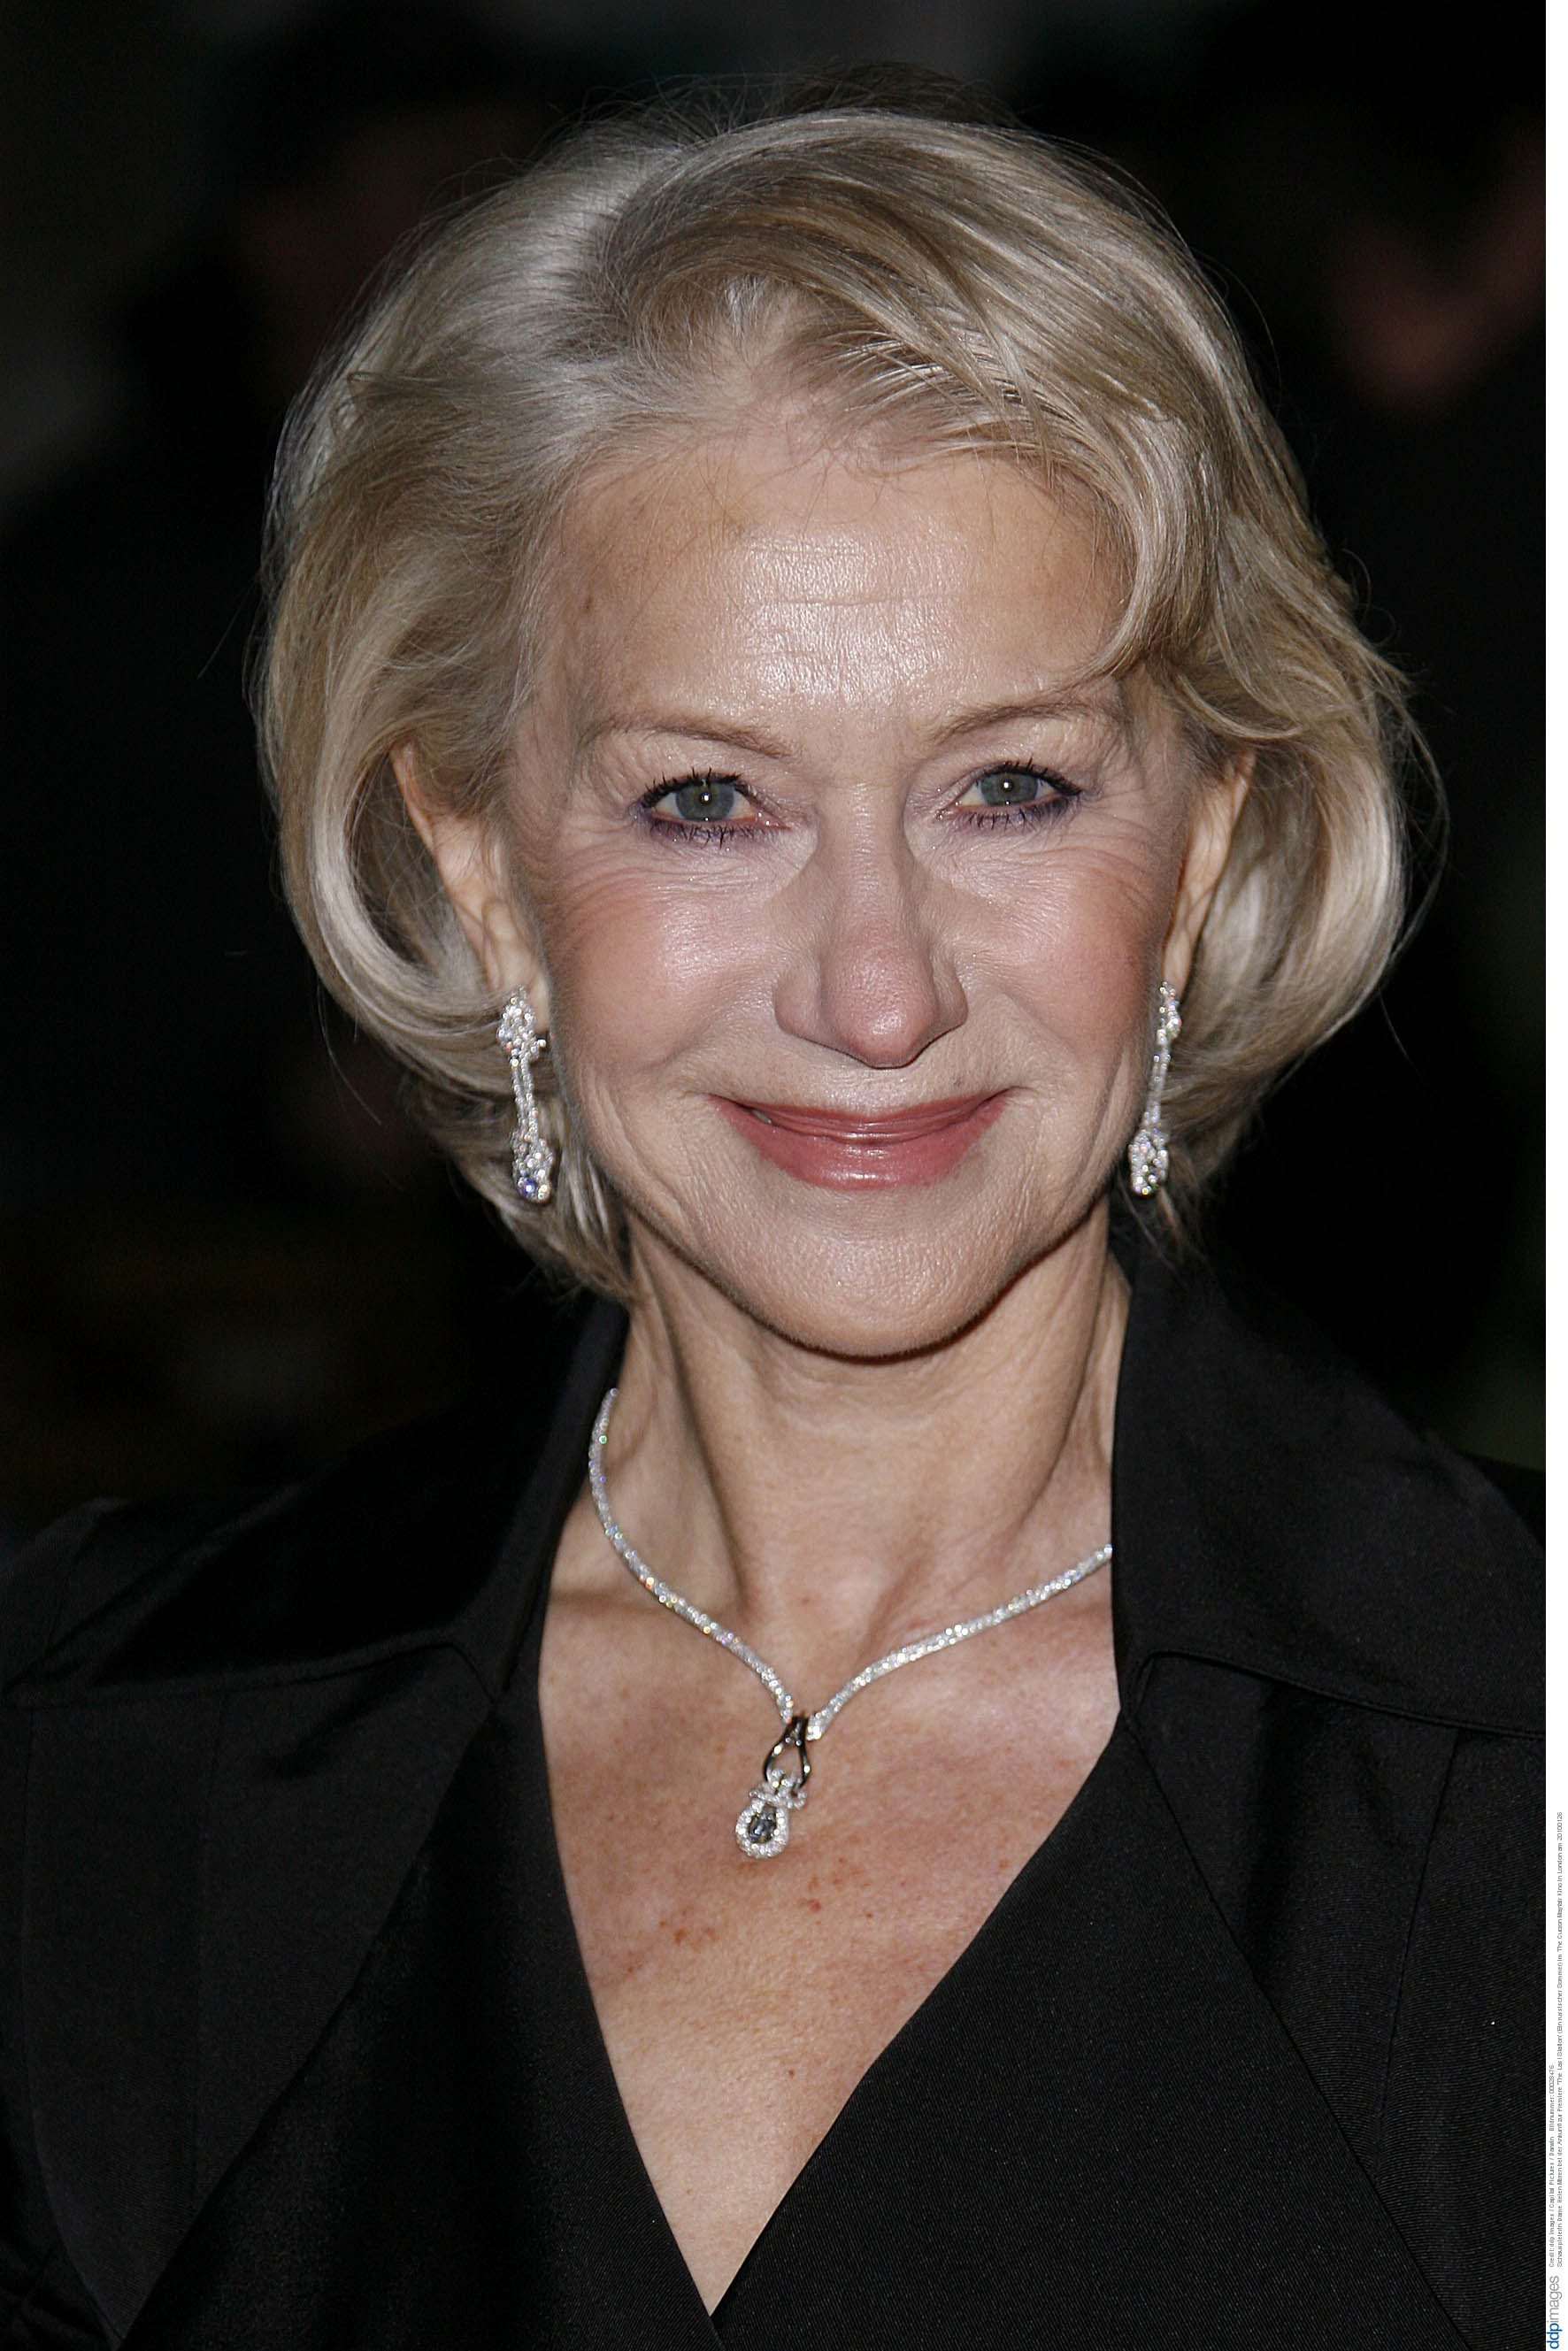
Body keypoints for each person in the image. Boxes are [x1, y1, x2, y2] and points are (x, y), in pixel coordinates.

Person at [0, 88, 1539, 2350]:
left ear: (1205, 842)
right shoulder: (101, 1759)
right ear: (480, 868)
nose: (876, 992)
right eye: (706, 801)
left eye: (1010, 786)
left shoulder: (1514, 1766)